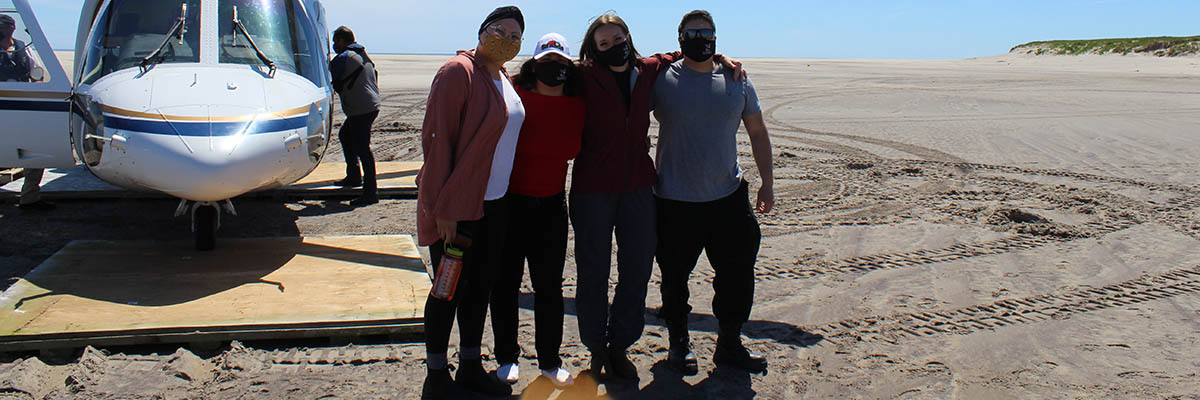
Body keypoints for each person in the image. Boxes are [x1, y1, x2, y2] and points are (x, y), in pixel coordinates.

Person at [570, 12, 744, 380]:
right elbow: (541, 70)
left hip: (637, 187)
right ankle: (596, 348)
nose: (613, 48)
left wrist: (721, 58)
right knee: (593, 272)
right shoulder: (583, 75)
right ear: (593, 49)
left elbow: (686, 54)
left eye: (618, 40)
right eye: (604, 44)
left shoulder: (647, 70)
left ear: (628, 38)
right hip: (592, 190)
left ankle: (620, 345)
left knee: (637, 269)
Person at [651, 10, 774, 375]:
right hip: (673, 200)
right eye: (691, 33)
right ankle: (678, 343)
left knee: (737, 275)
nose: (699, 38)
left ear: (717, 38)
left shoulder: (737, 80)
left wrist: (767, 182)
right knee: (674, 278)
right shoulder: (661, 80)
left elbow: (757, 133)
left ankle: (730, 343)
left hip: (727, 197)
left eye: (706, 33)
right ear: (679, 38)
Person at [415, 6, 525, 399]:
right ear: (481, 32)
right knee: (447, 290)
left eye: (515, 37)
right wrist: (444, 207)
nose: (506, 41)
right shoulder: (457, 72)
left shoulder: (504, 78)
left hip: (494, 204)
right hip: (459, 206)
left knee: (480, 289)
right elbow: (437, 140)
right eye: (499, 31)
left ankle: (470, 365)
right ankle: (436, 374)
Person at [488, 32, 584, 388]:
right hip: (510, 204)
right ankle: (506, 357)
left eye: (560, 63)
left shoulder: (578, 101)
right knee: (505, 283)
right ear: (534, 62)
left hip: (552, 206)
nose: (554, 68)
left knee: (548, 288)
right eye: (547, 62)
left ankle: (549, 361)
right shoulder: (512, 91)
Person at [2, 14, 52, 211]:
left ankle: (29, 197)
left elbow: (37, 72)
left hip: (21, 108)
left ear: (11, 29)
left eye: (2, 27)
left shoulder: (24, 48)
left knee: (34, 150)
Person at [329, 26, 381, 206]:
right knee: (345, 135)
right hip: (370, 105)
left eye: (336, 42)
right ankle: (353, 176)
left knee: (362, 149)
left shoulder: (344, 58)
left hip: (361, 108)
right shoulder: (362, 54)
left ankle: (370, 193)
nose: (335, 46)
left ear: (342, 41)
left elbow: (329, 75)